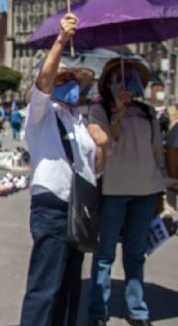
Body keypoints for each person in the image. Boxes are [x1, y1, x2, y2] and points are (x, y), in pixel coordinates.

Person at [19, 13, 107, 326]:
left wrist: (101, 145)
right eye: (62, 80)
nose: (68, 85)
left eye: (72, 81)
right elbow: (42, 82)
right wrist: (61, 39)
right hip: (53, 205)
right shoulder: (42, 113)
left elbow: (94, 171)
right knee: (45, 288)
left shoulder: (79, 121)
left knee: (69, 287)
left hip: (78, 208)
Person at [88, 58, 165, 326]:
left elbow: (157, 152)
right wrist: (117, 114)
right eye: (118, 78)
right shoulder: (99, 111)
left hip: (146, 190)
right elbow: (106, 147)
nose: (125, 83)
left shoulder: (147, 112)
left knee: (135, 255)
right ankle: (98, 311)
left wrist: (161, 190)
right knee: (105, 254)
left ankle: (137, 310)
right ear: (108, 84)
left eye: (130, 78)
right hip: (114, 191)